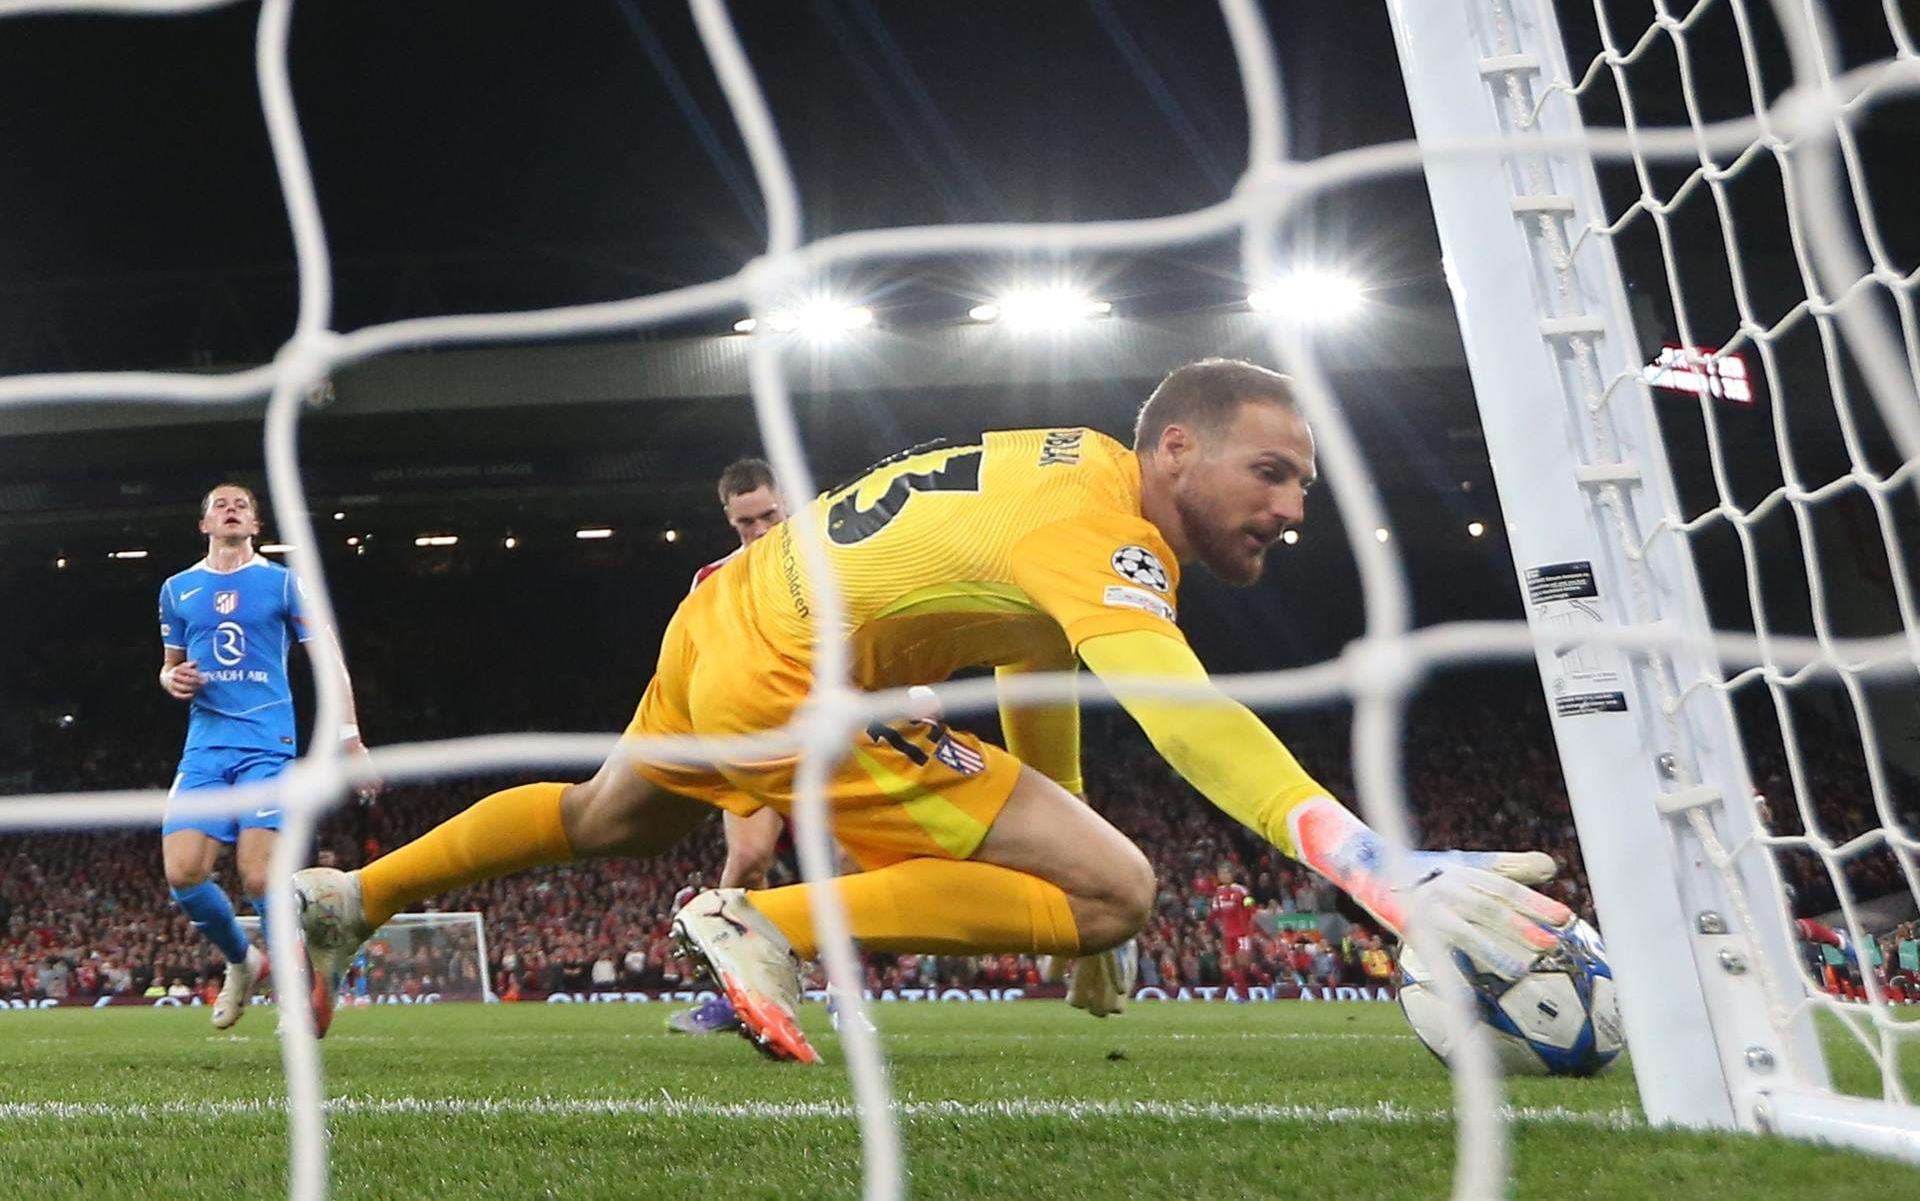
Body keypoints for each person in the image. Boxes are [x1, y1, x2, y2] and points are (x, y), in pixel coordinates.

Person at [294, 358, 1567, 1060]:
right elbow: (1182, 713)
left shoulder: (1066, 464)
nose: (1293, 508)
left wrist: (1053, 816)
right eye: (1271, 471)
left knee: (607, 818)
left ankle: (356, 899)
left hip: (724, 613)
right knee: (1122, 892)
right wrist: (1368, 863)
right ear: (1176, 448)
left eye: (1305, 483)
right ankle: (765, 923)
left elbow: (1038, 670)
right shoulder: (1106, 529)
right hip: (801, 672)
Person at [159, 482, 373, 1030]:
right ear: (204, 524)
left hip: (267, 748)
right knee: (183, 873)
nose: (231, 510)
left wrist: (349, 736)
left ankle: (298, 991)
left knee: (259, 877)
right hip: (205, 748)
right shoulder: (177, 589)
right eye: (219, 505)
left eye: (242, 506)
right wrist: (171, 677)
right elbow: (169, 664)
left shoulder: (283, 583)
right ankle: (243, 961)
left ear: (256, 525)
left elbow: (329, 660)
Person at [668, 461, 788, 1036]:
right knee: (746, 864)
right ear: (728, 519)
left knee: (851, 862)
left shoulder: (832, 558)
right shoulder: (712, 580)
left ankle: (846, 993)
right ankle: (740, 997)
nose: (761, 530)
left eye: (770, 515)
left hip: (837, 736)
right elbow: (693, 666)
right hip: (756, 741)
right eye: (747, 522)